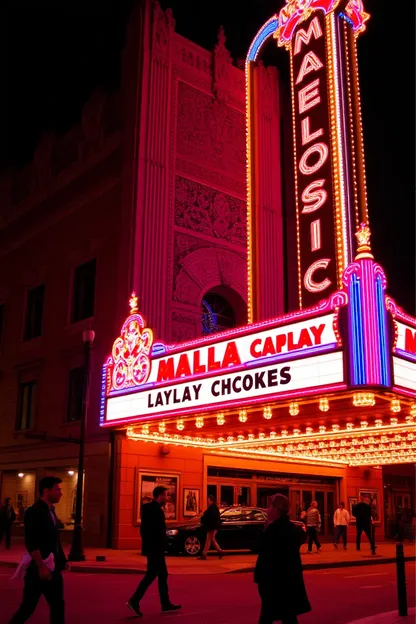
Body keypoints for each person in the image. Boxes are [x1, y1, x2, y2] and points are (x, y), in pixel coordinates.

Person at [9, 476, 68, 624]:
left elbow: (55, 540)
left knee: (58, 606)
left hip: (53, 568)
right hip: (39, 569)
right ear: (46, 491)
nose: (60, 493)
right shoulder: (34, 512)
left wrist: (62, 560)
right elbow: (31, 542)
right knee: (28, 607)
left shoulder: (51, 511)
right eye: (57, 489)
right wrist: (41, 566)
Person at [255, 494, 311, 624]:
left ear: (276, 510)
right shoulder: (290, 528)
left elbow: (262, 549)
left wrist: (266, 530)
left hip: (274, 581)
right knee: (288, 615)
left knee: (268, 615)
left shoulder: (274, 530)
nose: (267, 510)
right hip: (287, 581)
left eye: (269, 506)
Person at [127, 486, 181, 617]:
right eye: (165, 495)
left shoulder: (149, 509)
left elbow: (144, 530)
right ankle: (135, 600)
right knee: (155, 574)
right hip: (155, 548)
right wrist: (159, 544)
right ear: (159, 495)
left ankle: (164, 603)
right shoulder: (156, 510)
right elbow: (156, 531)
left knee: (159, 574)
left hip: (153, 548)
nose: (166, 498)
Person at [198, 494, 224, 560]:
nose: (207, 501)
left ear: (211, 500)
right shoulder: (213, 507)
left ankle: (204, 555)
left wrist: (203, 519)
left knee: (208, 541)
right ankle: (220, 552)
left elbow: (210, 517)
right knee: (212, 540)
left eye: (208, 499)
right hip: (213, 526)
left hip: (212, 527)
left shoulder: (212, 507)